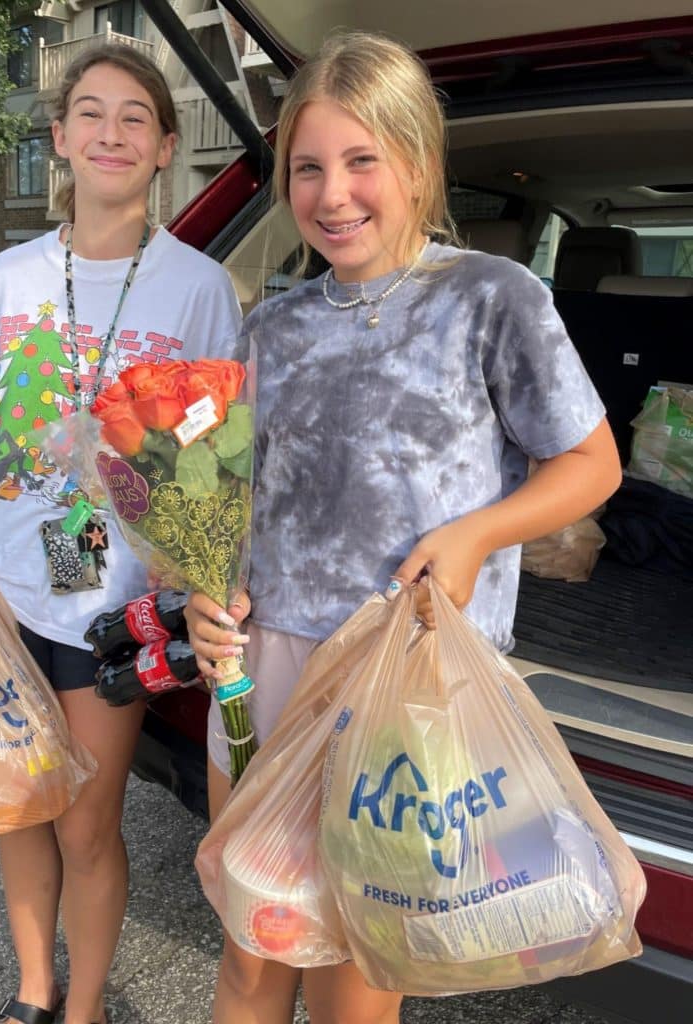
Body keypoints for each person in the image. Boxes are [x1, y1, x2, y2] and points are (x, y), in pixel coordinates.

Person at [185, 29, 622, 1024]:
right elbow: (224, 499)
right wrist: (205, 597)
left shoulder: (488, 297)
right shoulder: (271, 326)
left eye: (359, 161)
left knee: (359, 966)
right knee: (255, 950)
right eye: (306, 168)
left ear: (417, 163)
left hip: (405, 684)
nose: (331, 194)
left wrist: (474, 535)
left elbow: (590, 465)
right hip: (270, 664)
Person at [0, 44, 241, 1024]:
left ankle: (86, 1006)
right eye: (91, 114)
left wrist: (198, 584)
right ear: (58, 138)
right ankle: (33, 992)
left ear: (161, 150)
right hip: (2, 582)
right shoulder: (10, 276)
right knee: (14, 801)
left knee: (85, 821)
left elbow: (209, 464)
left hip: (109, 600)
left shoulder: (195, 288)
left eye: (135, 117)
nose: (111, 132)